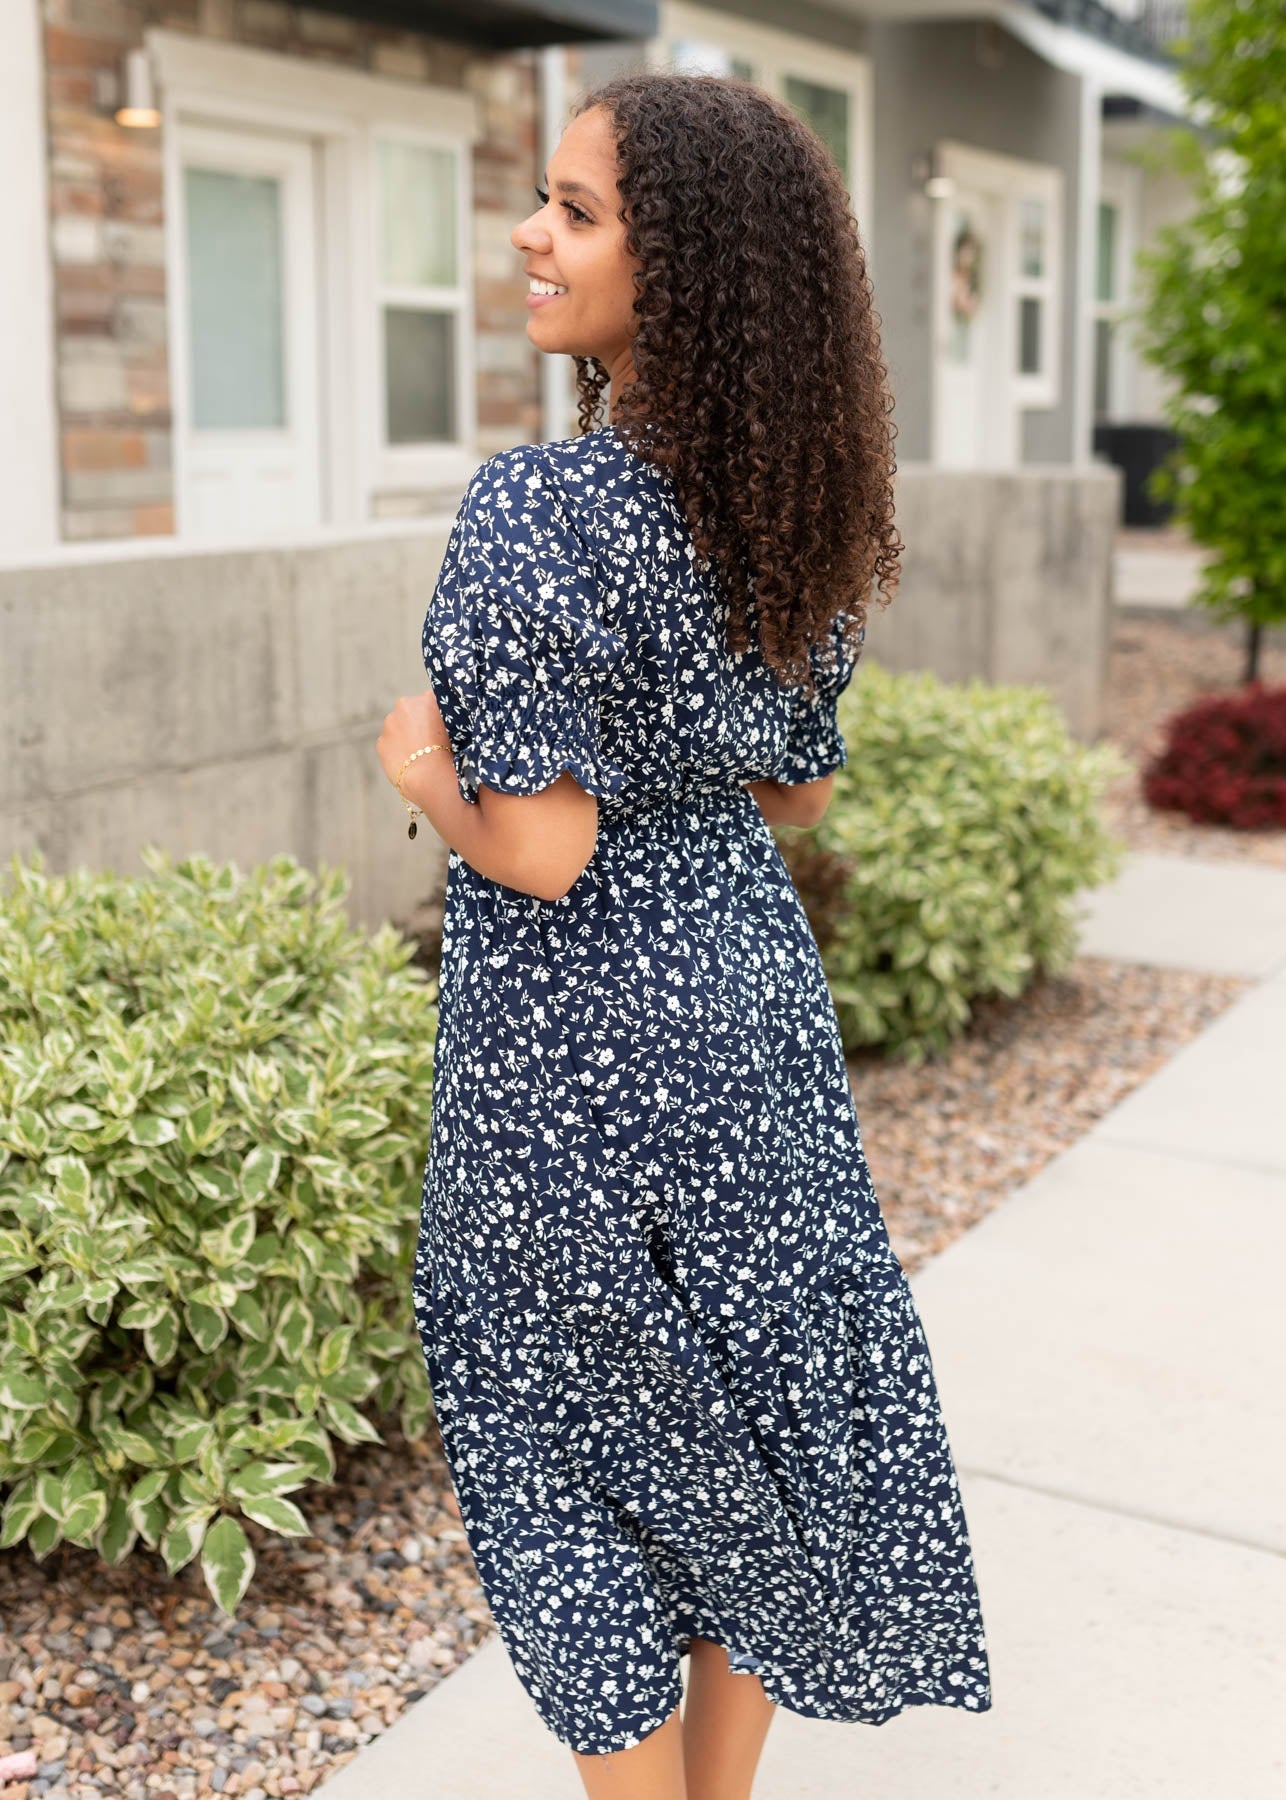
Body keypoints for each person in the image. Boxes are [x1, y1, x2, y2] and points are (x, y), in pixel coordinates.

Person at [376, 70, 992, 1800]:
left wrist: (423, 776)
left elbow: (546, 851)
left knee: (563, 1457)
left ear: (693, 271)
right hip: (749, 1029)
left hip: (570, 1066)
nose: (527, 234)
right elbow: (793, 797)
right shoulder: (787, 504)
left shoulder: (537, 512)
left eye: (573, 211)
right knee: (738, 1437)